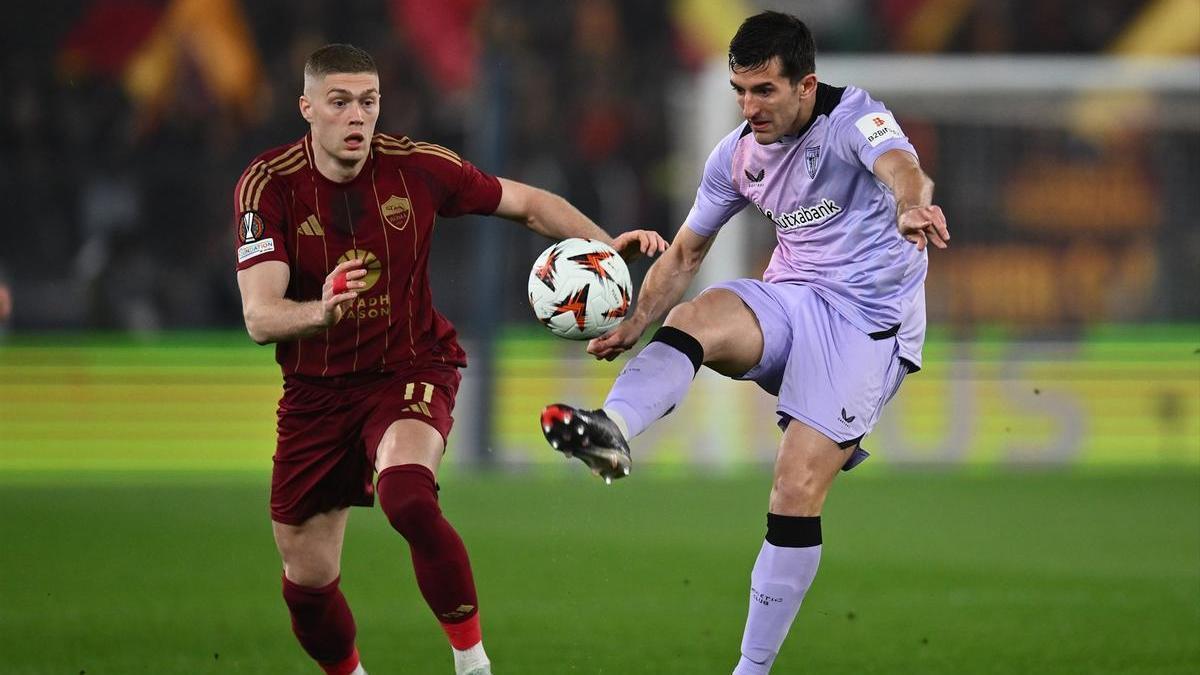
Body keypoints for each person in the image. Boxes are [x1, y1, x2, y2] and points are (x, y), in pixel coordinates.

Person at [234, 44, 665, 675]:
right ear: (308, 109)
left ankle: (473, 664)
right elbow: (259, 315)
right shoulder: (268, 185)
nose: (358, 116)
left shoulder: (416, 168)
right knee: (307, 583)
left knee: (407, 497)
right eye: (340, 102)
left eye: (369, 102)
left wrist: (606, 250)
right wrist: (319, 311)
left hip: (409, 368)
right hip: (314, 393)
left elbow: (527, 204)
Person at [540, 11, 949, 673]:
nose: (748, 106)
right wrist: (637, 319)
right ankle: (611, 427)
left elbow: (903, 166)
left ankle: (750, 669)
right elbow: (684, 253)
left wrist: (910, 202)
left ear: (806, 85)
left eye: (764, 90)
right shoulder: (735, 155)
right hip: (791, 298)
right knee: (697, 317)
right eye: (739, 89)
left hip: (866, 325)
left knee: (793, 489)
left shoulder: (856, 119)